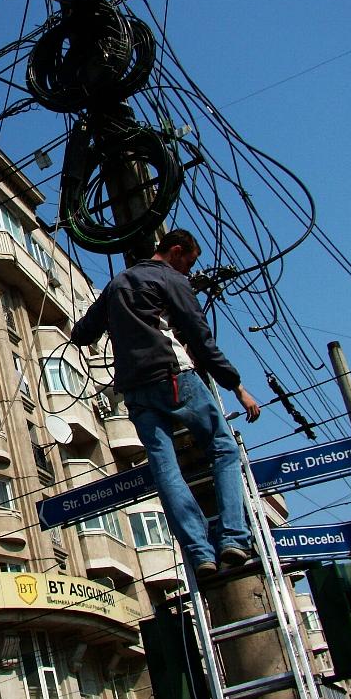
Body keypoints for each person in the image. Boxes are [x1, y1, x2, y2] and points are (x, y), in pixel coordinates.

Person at [70, 229, 261, 578]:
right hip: (174, 377)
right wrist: (236, 387)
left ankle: (199, 552)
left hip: (135, 390)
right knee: (223, 448)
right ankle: (234, 536)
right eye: (187, 263)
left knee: (165, 469)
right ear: (175, 251)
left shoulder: (116, 285)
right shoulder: (169, 279)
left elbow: (82, 334)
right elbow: (200, 337)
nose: (187, 272)